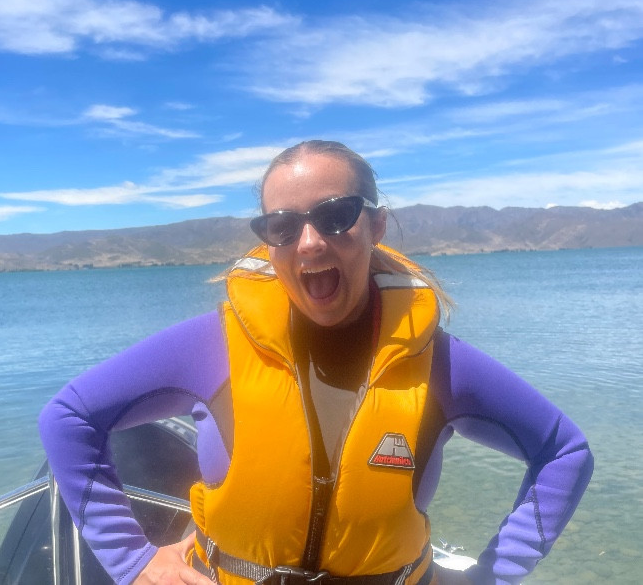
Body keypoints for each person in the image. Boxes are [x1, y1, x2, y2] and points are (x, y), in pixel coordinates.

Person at [39, 140, 593, 585]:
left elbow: (564, 452)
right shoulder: (209, 346)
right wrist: (132, 561)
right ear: (268, 242)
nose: (308, 243)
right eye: (282, 226)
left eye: (335, 216)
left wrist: (492, 575)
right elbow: (68, 417)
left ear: (375, 226)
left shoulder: (441, 364)